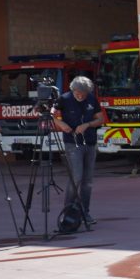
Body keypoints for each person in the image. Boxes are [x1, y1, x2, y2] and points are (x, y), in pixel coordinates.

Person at [52, 76, 105, 224]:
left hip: (90, 142)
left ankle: (85, 213)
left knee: (88, 181)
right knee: (76, 177)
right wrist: (61, 124)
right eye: (77, 92)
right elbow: (50, 115)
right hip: (72, 143)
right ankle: (68, 212)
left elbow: (100, 119)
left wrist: (87, 124)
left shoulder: (91, 99)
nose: (80, 95)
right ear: (72, 89)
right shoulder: (64, 99)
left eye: (83, 93)